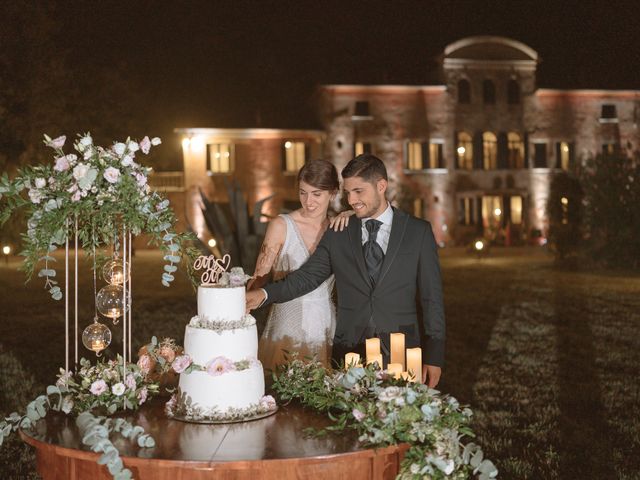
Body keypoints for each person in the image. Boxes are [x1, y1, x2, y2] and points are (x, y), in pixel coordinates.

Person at [247, 154, 445, 387]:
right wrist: (264, 294)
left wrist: (434, 356)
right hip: (350, 350)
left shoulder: (418, 232)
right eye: (348, 192)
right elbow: (308, 277)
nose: (352, 200)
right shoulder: (339, 231)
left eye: (358, 191)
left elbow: (432, 298)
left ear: (381, 186)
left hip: (402, 351)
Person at [248, 159, 350, 371]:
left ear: (333, 193)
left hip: (324, 325)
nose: (308, 201)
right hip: (286, 323)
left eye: (316, 194)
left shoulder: (339, 228)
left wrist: (352, 214)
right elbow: (259, 278)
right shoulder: (281, 225)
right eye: (303, 192)